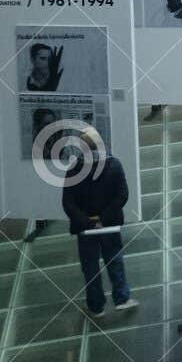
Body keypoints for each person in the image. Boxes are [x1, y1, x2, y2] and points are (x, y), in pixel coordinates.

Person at [62, 127, 138, 320]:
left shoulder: (74, 169)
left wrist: (86, 221)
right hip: (109, 224)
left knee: (90, 266)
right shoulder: (114, 165)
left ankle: (96, 307)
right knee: (114, 259)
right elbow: (122, 195)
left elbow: (68, 202)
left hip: (85, 229)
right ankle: (122, 298)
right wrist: (104, 217)